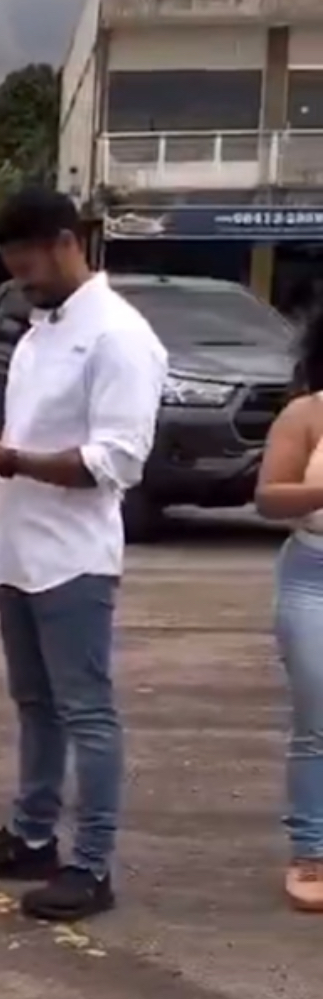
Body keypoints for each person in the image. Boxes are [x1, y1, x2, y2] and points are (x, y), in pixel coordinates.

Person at [0, 187, 166, 923]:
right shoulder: (41, 333)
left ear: (68, 243)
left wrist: (8, 460)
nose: (21, 281)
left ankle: (91, 865)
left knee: (86, 712)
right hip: (18, 547)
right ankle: (32, 836)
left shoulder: (120, 337)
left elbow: (116, 462)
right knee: (34, 705)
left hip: (74, 558)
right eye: (12, 266)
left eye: (29, 264)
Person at [255, 307, 323, 911]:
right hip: (313, 573)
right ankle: (312, 850)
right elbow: (269, 497)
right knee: (317, 715)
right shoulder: (307, 414)